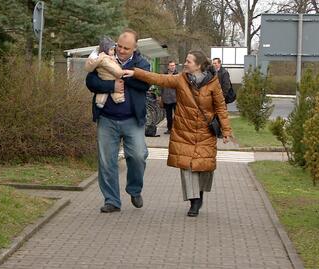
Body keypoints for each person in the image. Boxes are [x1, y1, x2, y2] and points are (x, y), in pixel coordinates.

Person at [123, 50, 232, 217]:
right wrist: (136, 73)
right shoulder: (181, 79)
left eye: (188, 61)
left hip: (205, 131)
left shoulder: (213, 82)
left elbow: (220, 107)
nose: (185, 63)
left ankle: (200, 194)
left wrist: (226, 130)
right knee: (187, 167)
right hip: (184, 131)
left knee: (204, 167)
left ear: (199, 65)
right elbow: (159, 79)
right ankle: (193, 202)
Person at [85, 29, 151, 213]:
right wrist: (111, 85)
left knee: (138, 156)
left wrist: (123, 75)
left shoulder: (142, 64)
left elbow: (145, 85)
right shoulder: (104, 57)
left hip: (132, 120)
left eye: (126, 48)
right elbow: (90, 82)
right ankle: (112, 200)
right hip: (106, 118)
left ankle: (134, 189)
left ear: (135, 48)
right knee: (107, 162)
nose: (121, 50)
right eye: (119, 46)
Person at [84, 36, 125, 108]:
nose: (114, 51)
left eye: (113, 49)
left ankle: (102, 101)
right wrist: (113, 84)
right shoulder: (105, 59)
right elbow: (90, 82)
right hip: (105, 114)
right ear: (105, 50)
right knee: (105, 93)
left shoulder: (108, 58)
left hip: (127, 114)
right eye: (111, 50)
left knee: (108, 94)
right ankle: (114, 99)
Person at [159, 61, 178, 134]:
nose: (173, 67)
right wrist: (161, 96)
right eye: (171, 65)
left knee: (177, 116)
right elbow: (161, 86)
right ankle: (169, 129)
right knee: (168, 116)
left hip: (176, 98)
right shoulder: (164, 75)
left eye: (173, 65)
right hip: (166, 98)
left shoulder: (178, 75)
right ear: (168, 67)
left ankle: (176, 130)